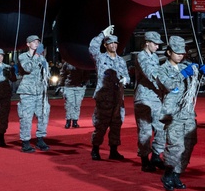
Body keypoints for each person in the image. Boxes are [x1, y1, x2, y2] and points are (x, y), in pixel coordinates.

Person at [155, 36, 205, 191]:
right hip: (173, 114)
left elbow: (201, 83)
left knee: (189, 144)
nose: (180, 55)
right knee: (175, 145)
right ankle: (168, 173)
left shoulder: (186, 65)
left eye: (182, 52)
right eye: (176, 52)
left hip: (188, 113)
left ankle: (177, 174)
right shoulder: (162, 69)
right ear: (169, 52)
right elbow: (168, 85)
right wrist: (183, 74)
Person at [88, 25, 131, 161]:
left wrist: (126, 79)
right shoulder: (100, 58)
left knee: (116, 125)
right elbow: (92, 48)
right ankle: (95, 149)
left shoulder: (121, 61)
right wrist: (102, 34)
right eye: (110, 43)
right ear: (105, 45)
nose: (113, 45)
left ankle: (114, 150)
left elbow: (126, 76)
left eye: (115, 43)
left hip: (118, 99)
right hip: (104, 98)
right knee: (101, 125)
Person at [134, 31, 167, 172]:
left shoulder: (154, 57)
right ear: (147, 42)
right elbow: (151, 74)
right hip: (144, 98)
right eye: (155, 44)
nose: (157, 47)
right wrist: (167, 82)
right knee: (145, 131)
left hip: (156, 97)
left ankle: (155, 155)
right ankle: (144, 159)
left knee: (161, 128)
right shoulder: (141, 56)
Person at [17, 35, 51, 153]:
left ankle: (40, 139)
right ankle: (25, 142)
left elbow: (47, 74)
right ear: (28, 44)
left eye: (38, 42)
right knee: (26, 117)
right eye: (34, 42)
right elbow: (28, 68)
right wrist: (37, 56)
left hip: (40, 92)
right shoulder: (23, 56)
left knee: (43, 115)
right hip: (27, 92)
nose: (36, 43)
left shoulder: (41, 58)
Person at [60, 61, 89, 129]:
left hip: (79, 87)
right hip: (69, 86)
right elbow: (63, 74)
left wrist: (84, 82)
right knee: (69, 104)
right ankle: (68, 121)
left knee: (77, 104)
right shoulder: (67, 63)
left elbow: (87, 74)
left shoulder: (83, 63)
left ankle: (75, 121)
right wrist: (61, 85)